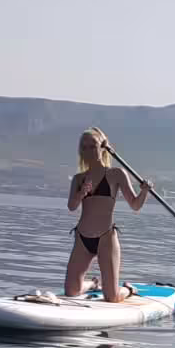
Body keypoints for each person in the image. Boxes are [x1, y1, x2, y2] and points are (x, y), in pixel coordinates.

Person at [65, 127, 151, 300]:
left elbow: (135, 205)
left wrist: (144, 191)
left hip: (106, 238)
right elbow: (72, 206)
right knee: (71, 291)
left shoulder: (116, 174)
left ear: (102, 148)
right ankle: (92, 284)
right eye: (84, 147)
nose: (88, 150)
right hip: (83, 238)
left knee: (112, 297)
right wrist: (81, 193)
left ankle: (129, 289)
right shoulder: (78, 179)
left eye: (93, 146)